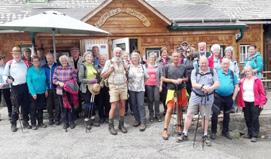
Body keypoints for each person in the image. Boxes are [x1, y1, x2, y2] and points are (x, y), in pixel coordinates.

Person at [177, 56, 219, 146]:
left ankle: (205, 135)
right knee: (189, 114)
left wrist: (210, 88)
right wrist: (203, 87)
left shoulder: (212, 71)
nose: (203, 65)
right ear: (199, 63)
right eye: (202, 63)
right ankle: (185, 133)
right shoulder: (194, 71)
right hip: (195, 96)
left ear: (208, 63)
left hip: (208, 96)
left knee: (205, 116)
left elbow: (217, 83)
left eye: (205, 63)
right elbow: (194, 84)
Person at [3, 46, 32, 132]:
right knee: (15, 106)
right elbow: (4, 75)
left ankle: (25, 122)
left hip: (25, 86)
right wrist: (7, 80)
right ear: (13, 55)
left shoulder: (25, 63)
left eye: (18, 54)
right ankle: (13, 123)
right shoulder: (9, 63)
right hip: (15, 87)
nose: (17, 56)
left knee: (25, 106)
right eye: (15, 54)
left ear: (21, 54)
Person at [161, 52, 188, 140]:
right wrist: (173, 81)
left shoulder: (183, 67)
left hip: (181, 89)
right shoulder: (167, 66)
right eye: (174, 56)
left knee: (180, 108)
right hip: (171, 90)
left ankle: (179, 125)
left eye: (178, 56)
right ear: (172, 57)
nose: (176, 58)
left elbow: (187, 78)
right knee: (169, 109)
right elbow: (163, 78)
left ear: (180, 57)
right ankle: (165, 130)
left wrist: (182, 79)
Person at [210, 58, 239, 140]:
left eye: (227, 64)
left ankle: (225, 132)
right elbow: (212, 83)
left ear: (229, 65)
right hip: (217, 96)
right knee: (215, 114)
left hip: (229, 97)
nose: (225, 65)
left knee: (227, 115)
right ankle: (213, 132)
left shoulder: (232, 74)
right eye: (224, 64)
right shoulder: (216, 73)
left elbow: (236, 86)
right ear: (221, 64)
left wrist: (233, 97)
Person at [101, 47, 128, 135]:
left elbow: (127, 74)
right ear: (113, 53)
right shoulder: (109, 62)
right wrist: (111, 69)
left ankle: (121, 125)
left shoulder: (123, 62)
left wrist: (127, 69)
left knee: (123, 106)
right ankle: (111, 126)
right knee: (113, 106)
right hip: (113, 87)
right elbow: (103, 76)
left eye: (119, 52)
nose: (118, 54)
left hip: (123, 86)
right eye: (116, 52)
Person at [236, 66, 267, 142]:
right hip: (245, 102)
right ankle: (249, 133)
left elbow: (262, 93)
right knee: (247, 118)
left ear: (252, 72)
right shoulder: (242, 81)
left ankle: (254, 135)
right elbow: (239, 92)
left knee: (254, 118)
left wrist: (262, 102)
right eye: (246, 72)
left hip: (255, 102)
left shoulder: (257, 80)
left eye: (249, 71)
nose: (247, 73)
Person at [53, 55, 78, 130]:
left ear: (67, 61)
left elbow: (75, 79)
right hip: (61, 91)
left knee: (70, 106)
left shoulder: (71, 68)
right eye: (62, 60)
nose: (64, 61)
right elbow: (53, 79)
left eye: (65, 60)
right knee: (63, 107)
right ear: (60, 61)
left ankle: (71, 121)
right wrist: (58, 83)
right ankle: (65, 122)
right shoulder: (57, 68)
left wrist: (68, 84)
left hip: (69, 90)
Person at [78, 52, 100, 129]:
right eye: (87, 57)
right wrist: (91, 81)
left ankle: (93, 118)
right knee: (87, 104)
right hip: (86, 88)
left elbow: (97, 76)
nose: (89, 58)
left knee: (93, 103)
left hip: (94, 88)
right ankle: (87, 120)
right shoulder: (82, 66)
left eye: (90, 56)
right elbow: (80, 79)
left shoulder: (94, 65)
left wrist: (97, 80)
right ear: (84, 58)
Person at [128, 52, 149, 131]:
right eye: (133, 57)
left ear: (138, 58)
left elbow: (147, 77)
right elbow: (126, 77)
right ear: (131, 59)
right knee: (133, 105)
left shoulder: (142, 67)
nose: (135, 58)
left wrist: (142, 83)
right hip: (131, 89)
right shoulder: (129, 67)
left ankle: (143, 122)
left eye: (136, 57)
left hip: (140, 89)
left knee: (141, 105)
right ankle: (137, 120)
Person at [26, 56, 48, 130]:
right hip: (34, 93)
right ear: (32, 62)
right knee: (33, 109)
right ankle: (33, 124)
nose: (36, 62)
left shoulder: (42, 69)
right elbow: (29, 82)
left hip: (42, 92)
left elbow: (45, 81)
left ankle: (40, 122)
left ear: (39, 62)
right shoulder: (30, 71)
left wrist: (46, 89)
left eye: (37, 61)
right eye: (34, 61)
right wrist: (33, 93)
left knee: (40, 108)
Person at [43, 53, 60, 125]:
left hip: (56, 88)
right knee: (49, 105)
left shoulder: (58, 66)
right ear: (46, 59)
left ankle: (57, 119)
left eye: (51, 58)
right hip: (48, 89)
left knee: (57, 104)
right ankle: (51, 118)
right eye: (48, 58)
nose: (49, 59)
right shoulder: (43, 67)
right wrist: (45, 89)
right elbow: (43, 79)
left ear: (53, 58)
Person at [145, 52, 162, 122]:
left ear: (155, 59)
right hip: (148, 85)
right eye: (151, 58)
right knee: (150, 100)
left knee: (157, 100)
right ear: (148, 58)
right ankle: (151, 115)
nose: (152, 59)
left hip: (156, 85)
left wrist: (161, 85)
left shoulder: (158, 66)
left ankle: (157, 115)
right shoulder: (145, 66)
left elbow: (161, 77)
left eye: (153, 58)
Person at [156, 47, 172, 115]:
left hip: (170, 79)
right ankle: (166, 109)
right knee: (164, 96)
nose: (164, 54)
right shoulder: (158, 61)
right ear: (161, 53)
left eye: (166, 52)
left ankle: (170, 109)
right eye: (163, 52)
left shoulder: (170, 60)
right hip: (162, 80)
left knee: (170, 95)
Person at [96, 55, 110, 123]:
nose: (102, 60)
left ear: (106, 60)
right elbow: (95, 77)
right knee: (100, 103)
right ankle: (101, 117)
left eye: (103, 59)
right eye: (100, 59)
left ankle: (107, 116)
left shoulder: (108, 67)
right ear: (98, 60)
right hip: (99, 87)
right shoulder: (95, 67)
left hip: (108, 87)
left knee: (107, 102)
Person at [0, 54, 12, 120]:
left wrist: (5, 83)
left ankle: (10, 113)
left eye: (3, 60)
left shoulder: (6, 67)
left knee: (8, 100)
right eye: (2, 60)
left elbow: (8, 76)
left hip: (6, 87)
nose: (3, 61)